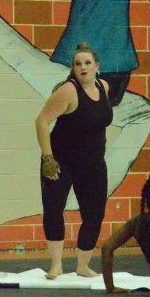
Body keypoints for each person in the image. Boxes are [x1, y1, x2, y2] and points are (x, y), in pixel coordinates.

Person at [35, 42, 112, 279]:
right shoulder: (68, 91)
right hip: (61, 161)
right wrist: (48, 158)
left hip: (93, 163)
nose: (83, 68)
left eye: (88, 63)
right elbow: (41, 121)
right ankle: (56, 264)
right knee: (54, 209)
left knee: (94, 214)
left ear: (97, 66)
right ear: (73, 68)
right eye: (78, 64)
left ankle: (83, 265)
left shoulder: (104, 87)